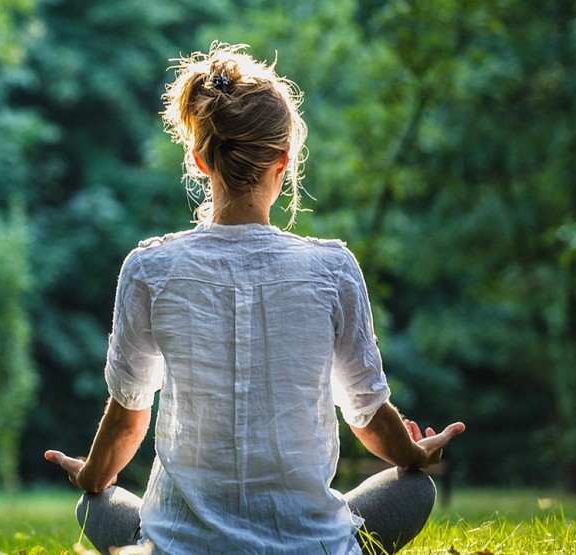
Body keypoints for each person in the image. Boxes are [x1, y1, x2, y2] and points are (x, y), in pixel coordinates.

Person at [42, 43, 466, 555]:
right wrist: (414, 453)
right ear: (284, 160)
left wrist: (90, 475)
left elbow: (129, 417)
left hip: (183, 547)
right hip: (310, 546)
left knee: (94, 503)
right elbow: (368, 415)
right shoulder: (332, 269)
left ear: (200, 160)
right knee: (414, 489)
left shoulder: (149, 269)